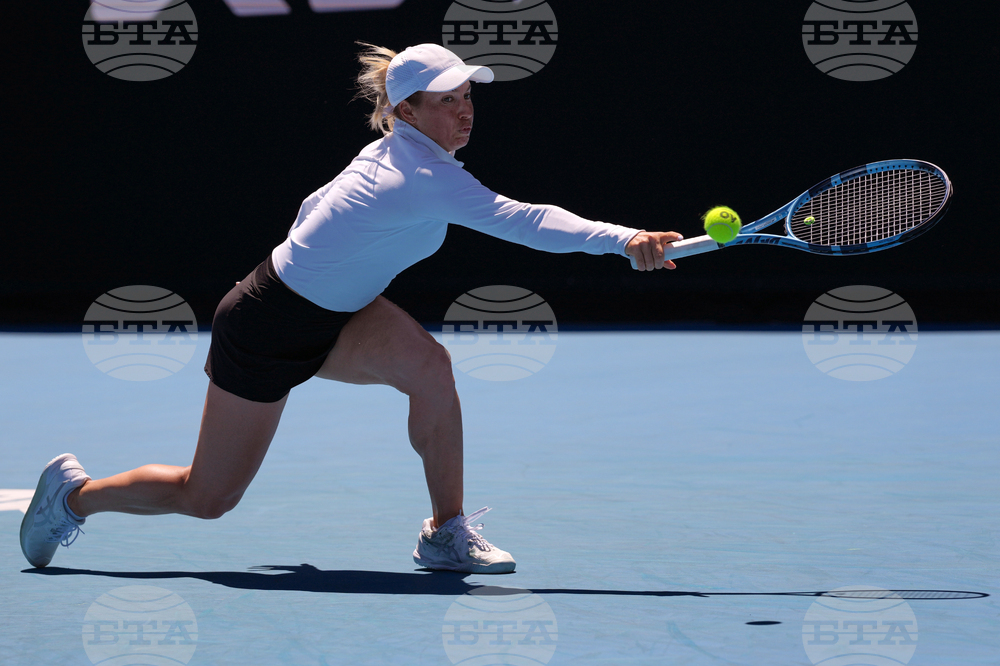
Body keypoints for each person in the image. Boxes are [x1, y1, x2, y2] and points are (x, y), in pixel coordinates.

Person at [20, 43, 682, 574]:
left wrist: (325, 263)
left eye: (467, 96)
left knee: (430, 366)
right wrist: (624, 240)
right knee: (207, 497)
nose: (464, 111)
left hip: (340, 313)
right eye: (446, 101)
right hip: (266, 325)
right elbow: (526, 220)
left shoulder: (395, 152)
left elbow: (313, 205)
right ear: (409, 112)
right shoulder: (419, 175)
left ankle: (445, 532)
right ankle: (73, 496)